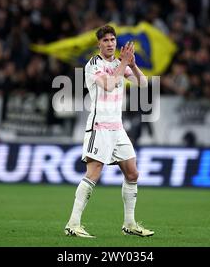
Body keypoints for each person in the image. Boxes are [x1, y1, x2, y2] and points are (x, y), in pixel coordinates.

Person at [64, 25, 154, 238]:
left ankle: (129, 223)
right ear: (99, 44)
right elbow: (110, 84)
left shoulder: (119, 63)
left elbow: (142, 83)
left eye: (113, 39)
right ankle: (73, 224)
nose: (110, 43)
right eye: (105, 40)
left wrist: (133, 64)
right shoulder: (93, 65)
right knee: (93, 173)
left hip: (117, 128)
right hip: (100, 126)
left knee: (132, 173)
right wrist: (124, 63)